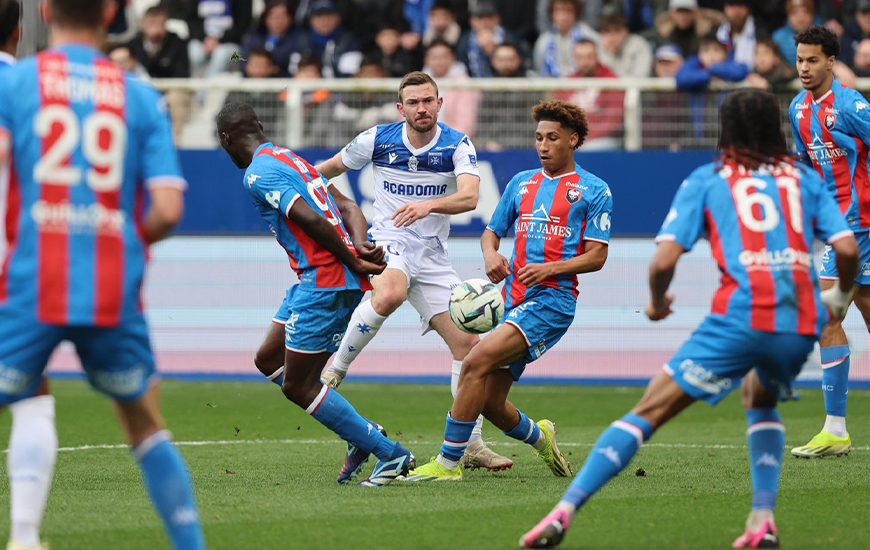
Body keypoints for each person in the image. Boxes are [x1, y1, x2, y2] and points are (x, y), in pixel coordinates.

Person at [520, 87, 860, 550]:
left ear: (727, 129)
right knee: (760, 401)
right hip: (798, 327)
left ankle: (563, 511)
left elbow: (662, 262)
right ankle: (762, 520)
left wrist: (657, 302)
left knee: (648, 412)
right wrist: (838, 303)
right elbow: (845, 248)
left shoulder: (709, 178)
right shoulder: (803, 178)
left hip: (739, 319)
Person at [0, 1, 207, 549]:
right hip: (111, 291)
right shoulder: (140, 95)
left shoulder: (19, 82)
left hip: (30, 286)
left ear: (45, 10)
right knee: (144, 425)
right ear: (112, 12)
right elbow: (166, 209)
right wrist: (110, 233)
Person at [403, 99, 613, 482]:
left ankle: (447, 464)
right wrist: (490, 256)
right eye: (538, 138)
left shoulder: (593, 190)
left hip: (553, 301)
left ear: (573, 139)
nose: (543, 145)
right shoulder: (521, 183)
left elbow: (596, 256)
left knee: (474, 363)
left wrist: (550, 267)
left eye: (552, 138)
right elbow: (490, 233)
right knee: (489, 402)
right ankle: (542, 439)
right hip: (514, 299)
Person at [315, 72, 513, 472]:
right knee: (387, 295)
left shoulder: (457, 143)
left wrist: (429, 206)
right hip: (390, 240)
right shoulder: (377, 139)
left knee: (471, 349)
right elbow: (322, 172)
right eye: (414, 102)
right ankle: (334, 369)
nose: (421, 108)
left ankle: (470, 445)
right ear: (400, 108)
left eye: (428, 100)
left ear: (440, 104)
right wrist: (336, 208)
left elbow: (471, 196)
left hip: (433, 256)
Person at [216, 102, 415, 486]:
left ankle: (391, 455)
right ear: (258, 126)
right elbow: (347, 205)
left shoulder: (258, 173)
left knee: (298, 385)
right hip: (319, 278)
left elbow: (307, 217)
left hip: (326, 280)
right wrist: (358, 244)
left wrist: (354, 260)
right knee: (268, 358)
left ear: (226, 140)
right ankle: (361, 434)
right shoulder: (292, 159)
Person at [788, 25, 870, 459]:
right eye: (800, 59)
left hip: (863, 225)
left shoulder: (853, 106)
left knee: (826, 316)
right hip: (841, 226)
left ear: (832, 61)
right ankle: (835, 429)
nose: (804, 67)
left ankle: (835, 429)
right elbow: (810, 168)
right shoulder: (798, 109)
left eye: (813, 60)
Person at [0, 3, 59, 550]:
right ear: (20, 30)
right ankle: (22, 536)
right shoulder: (30, 88)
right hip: (15, 271)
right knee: (32, 399)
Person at [289, 0, 362, 78]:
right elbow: (293, 72)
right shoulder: (301, 41)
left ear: (337, 18)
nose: (324, 20)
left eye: (328, 15)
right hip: (309, 88)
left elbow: (350, 74)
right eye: (319, 16)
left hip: (340, 88)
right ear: (311, 20)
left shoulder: (349, 41)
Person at [186, 0, 252, 77]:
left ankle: (206, 88)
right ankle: (193, 85)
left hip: (233, 45)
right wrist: (205, 38)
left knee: (221, 55)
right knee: (195, 53)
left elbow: (243, 23)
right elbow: (191, 20)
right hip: (203, 41)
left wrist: (219, 40)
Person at [534, 0, 599, 77]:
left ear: (576, 14)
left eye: (568, 11)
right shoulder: (543, 41)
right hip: (553, 87)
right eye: (558, 10)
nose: (563, 16)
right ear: (551, 13)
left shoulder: (590, 36)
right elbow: (539, 69)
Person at [128, 5, 190, 79]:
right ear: (143, 23)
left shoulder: (178, 44)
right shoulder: (133, 45)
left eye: (160, 24)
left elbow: (181, 75)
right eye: (151, 23)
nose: (155, 28)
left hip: (170, 87)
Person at [239, 0, 298, 78]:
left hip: (282, 83)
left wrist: (270, 68)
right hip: (252, 81)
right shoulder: (255, 36)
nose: (278, 20)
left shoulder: (299, 39)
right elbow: (242, 59)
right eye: (273, 16)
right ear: (266, 18)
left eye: (282, 16)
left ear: (290, 19)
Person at [653, 0, 724, 59]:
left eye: (687, 11)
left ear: (695, 12)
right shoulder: (662, 34)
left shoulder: (708, 32)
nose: (683, 16)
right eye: (679, 11)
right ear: (672, 13)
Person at [675, 35, 749, 90]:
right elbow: (681, 78)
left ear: (725, 53)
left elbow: (741, 71)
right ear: (699, 55)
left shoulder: (730, 63)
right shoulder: (694, 63)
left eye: (716, 50)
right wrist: (708, 76)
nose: (711, 54)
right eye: (706, 50)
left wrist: (713, 69)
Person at [598, 13, 653, 78]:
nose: (611, 37)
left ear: (626, 32)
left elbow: (641, 78)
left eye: (616, 31)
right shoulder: (597, 47)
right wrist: (610, 55)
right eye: (607, 31)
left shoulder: (639, 45)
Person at [715, 0, 761, 71]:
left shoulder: (760, 31)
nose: (736, 11)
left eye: (740, 5)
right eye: (732, 5)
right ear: (725, 8)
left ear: (748, 8)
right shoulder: (715, 33)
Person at [772, 0, 814, 64]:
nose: (800, 17)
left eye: (805, 12)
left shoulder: (822, 35)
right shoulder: (778, 37)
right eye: (795, 13)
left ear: (812, 15)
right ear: (788, 16)